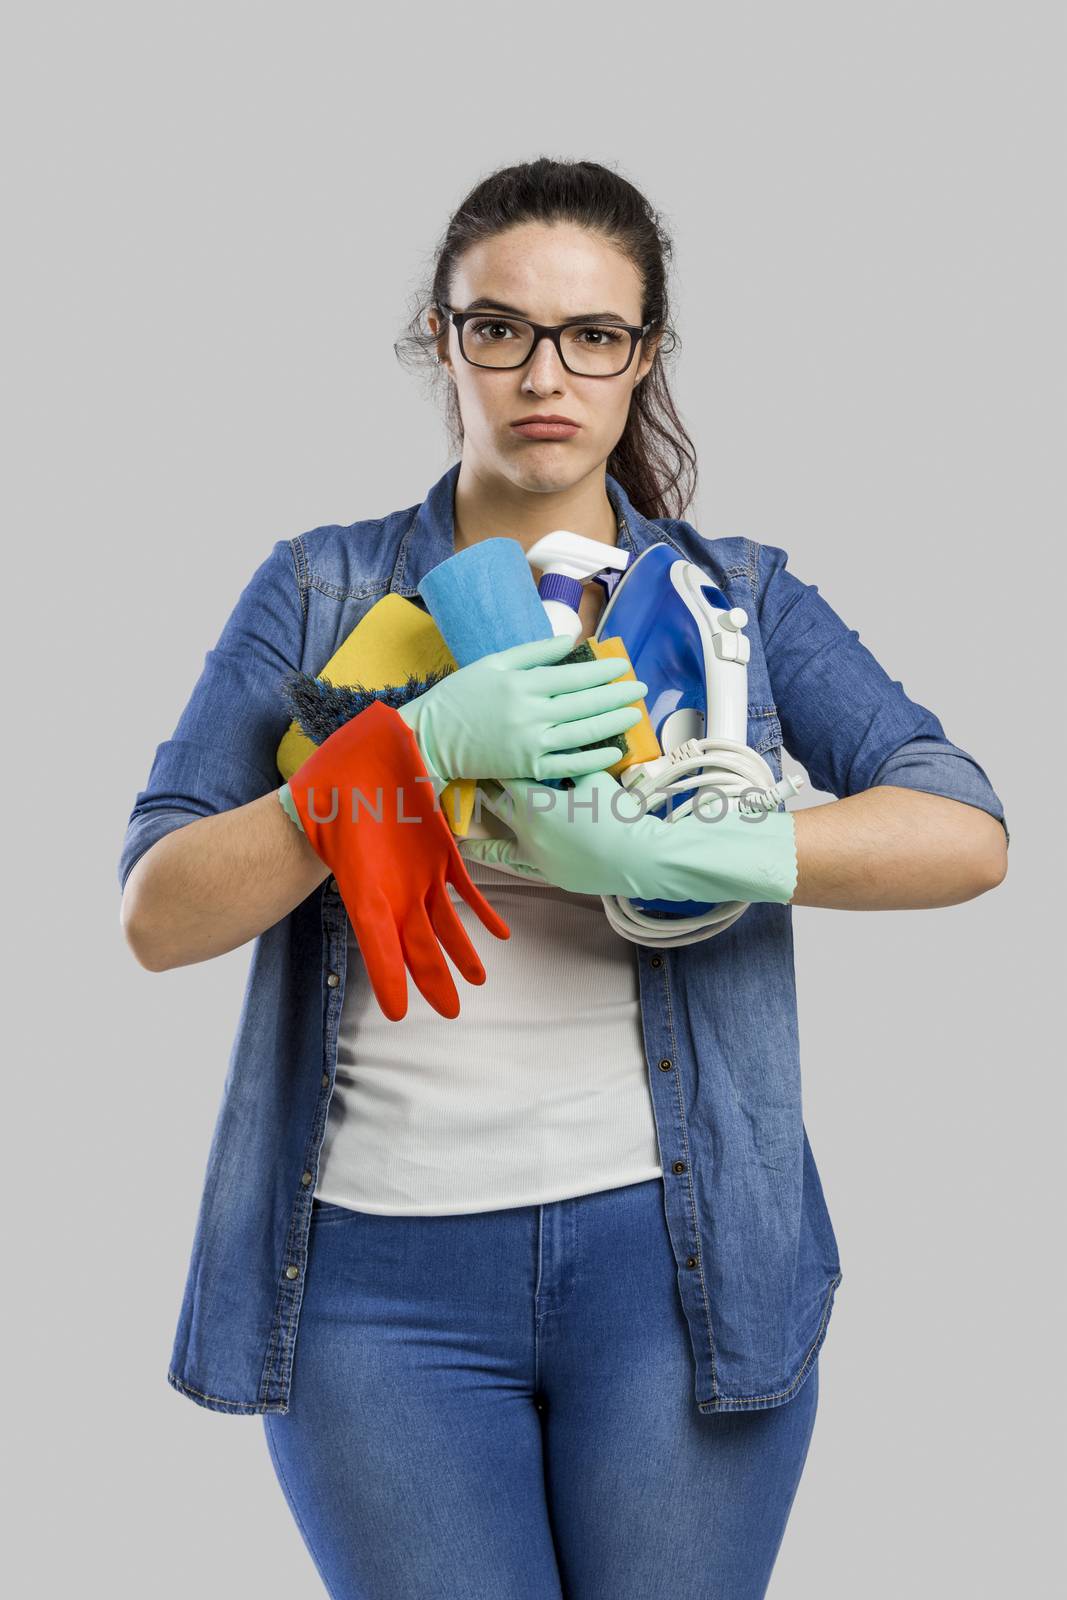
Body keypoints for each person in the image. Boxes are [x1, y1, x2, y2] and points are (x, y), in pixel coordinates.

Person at [118, 157, 1009, 1600]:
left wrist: (686, 849)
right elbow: (158, 911)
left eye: (596, 335)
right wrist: (392, 759)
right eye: (502, 329)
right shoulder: (320, 591)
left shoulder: (743, 600)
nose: (550, 373)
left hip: (683, 1273)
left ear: (643, 353)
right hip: (373, 1294)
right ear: (442, 337)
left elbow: (967, 827)